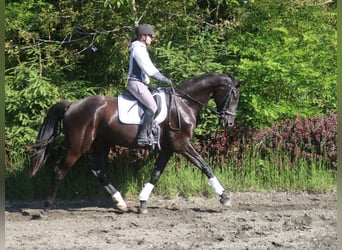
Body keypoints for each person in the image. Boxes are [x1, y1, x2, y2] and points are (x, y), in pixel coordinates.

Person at [127, 24, 172, 146]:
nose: (151, 39)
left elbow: (150, 69)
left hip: (141, 83)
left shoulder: (141, 48)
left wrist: (163, 78)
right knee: (152, 106)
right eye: (150, 36)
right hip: (135, 83)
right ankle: (142, 136)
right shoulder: (138, 49)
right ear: (142, 36)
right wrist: (164, 79)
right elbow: (149, 70)